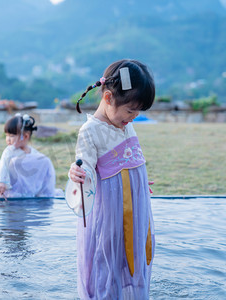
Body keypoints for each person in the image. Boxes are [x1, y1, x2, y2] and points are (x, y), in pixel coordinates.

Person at [68, 59, 156, 299]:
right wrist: (76, 174)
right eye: (130, 110)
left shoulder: (124, 123)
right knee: (108, 256)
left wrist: (137, 182)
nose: (134, 117)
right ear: (107, 98)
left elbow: (127, 162)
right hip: (109, 215)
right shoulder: (91, 130)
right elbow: (83, 165)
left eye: (138, 112)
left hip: (135, 210)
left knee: (134, 254)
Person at [0, 114, 58, 198]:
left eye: (11, 136)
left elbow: (39, 165)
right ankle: (14, 194)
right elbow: (3, 166)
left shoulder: (32, 153)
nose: (8, 139)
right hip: (11, 185)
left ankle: (40, 193)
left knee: (45, 161)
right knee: (15, 163)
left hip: (26, 184)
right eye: (6, 135)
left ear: (25, 136)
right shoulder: (9, 151)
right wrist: (1, 182)